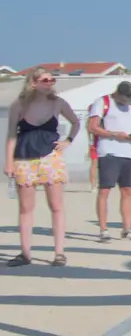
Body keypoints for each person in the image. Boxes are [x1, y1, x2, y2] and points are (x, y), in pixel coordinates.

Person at [4, 67, 81, 267]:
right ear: (33, 83)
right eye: (45, 80)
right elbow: (11, 135)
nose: (49, 83)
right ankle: (25, 253)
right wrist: (8, 162)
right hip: (24, 159)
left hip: (50, 158)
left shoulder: (58, 103)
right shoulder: (18, 105)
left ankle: (59, 253)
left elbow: (76, 122)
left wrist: (68, 141)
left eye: (51, 80)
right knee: (25, 208)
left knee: (56, 206)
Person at [88, 80, 131, 243]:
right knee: (105, 190)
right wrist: (114, 134)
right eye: (124, 98)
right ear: (117, 94)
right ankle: (103, 230)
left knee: (127, 191)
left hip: (128, 152)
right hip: (109, 152)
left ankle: (127, 229)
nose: (126, 102)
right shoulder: (103, 102)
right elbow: (93, 127)